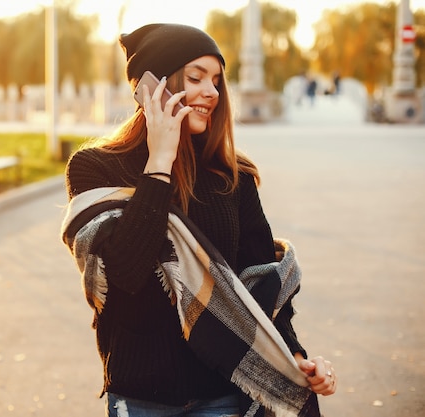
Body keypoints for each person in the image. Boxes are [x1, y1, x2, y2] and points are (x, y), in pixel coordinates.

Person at [61, 23, 336, 417]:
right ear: (152, 87)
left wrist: (295, 356)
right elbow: (123, 272)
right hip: (139, 395)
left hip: (222, 391)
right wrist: (159, 163)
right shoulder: (95, 169)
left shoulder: (232, 179)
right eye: (196, 77)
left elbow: (261, 284)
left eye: (217, 80)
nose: (212, 91)